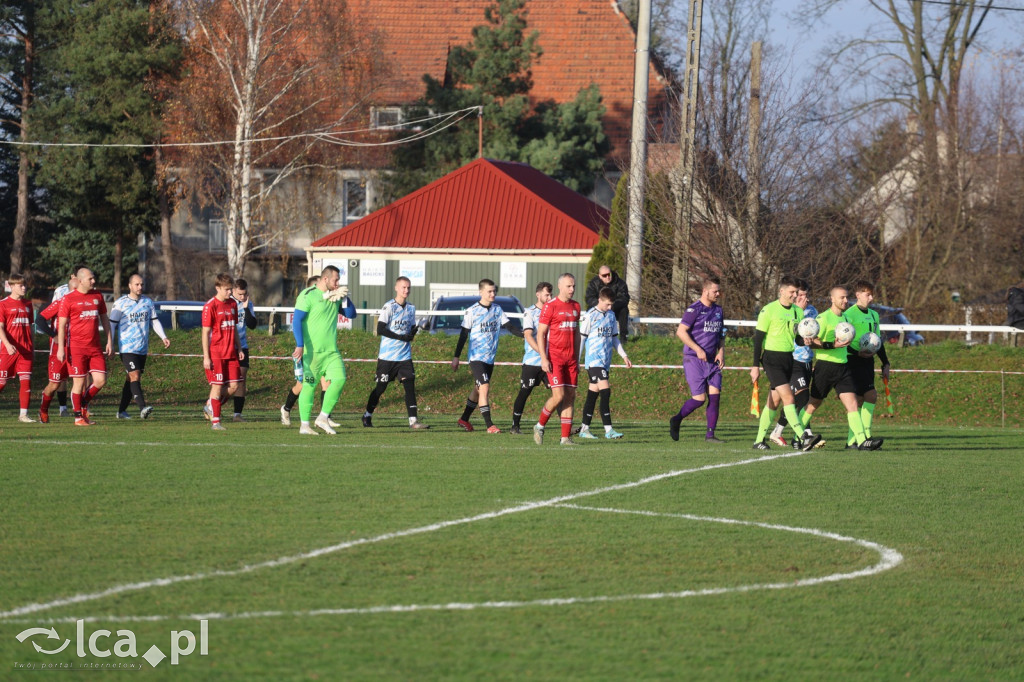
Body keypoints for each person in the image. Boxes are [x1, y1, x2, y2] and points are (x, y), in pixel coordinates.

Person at [796, 286, 878, 450]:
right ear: (832, 299)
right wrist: (831, 345)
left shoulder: (846, 317)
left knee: (853, 404)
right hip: (825, 367)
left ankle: (861, 441)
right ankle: (797, 436)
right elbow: (810, 341)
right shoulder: (824, 318)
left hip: (843, 367)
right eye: (841, 298)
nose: (845, 301)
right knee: (813, 404)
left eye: (846, 297)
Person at [750, 276, 822, 451]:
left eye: (796, 292)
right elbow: (758, 339)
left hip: (788, 359)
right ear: (781, 291)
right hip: (771, 360)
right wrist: (755, 366)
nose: (794, 295)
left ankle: (759, 440)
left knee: (773, 402)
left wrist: (803, 340)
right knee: (789, 397)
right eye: (791, 292)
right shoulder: (769, 310)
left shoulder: (797, 312)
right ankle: (802, 437)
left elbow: (795, 337)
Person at [451, 278, 523, 433]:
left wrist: (525, 335)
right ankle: (490, 425)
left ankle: (464, 419)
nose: (493, 294)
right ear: (481, 292)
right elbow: (463, 335)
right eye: (489, 291)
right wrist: (456, 357)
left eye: (494, 291)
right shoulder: (472, 311)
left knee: (478, 389)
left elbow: (509, 326)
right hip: (476, 357)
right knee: (484, 387)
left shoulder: (497, 309)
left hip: (490, 358)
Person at [292, 265, 356, 435]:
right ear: (326, 279)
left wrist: (344, 298)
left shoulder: (335, 296)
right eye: (336, 280)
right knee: (309, 386)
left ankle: (322, 417)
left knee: (340, 379)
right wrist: (299, 344)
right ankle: (304, 425)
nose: (338, 283)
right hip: (312, 352)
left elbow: (351, 314)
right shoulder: (308, 295)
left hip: (331, 351)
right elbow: (296, 321)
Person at [362, 276, 429, 429]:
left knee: (409, 385)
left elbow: (410, 331)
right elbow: (380, 329)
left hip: (404, 356)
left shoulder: (411, 308)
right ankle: (367, 415)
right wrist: (400, 337)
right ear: (396, 288)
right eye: (403, 287)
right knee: (381, 387)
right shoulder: (389, 307)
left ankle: (413, 421)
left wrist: (417, 328)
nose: (406, 290)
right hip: (387, 357)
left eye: (408, 288)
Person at [669, 276, 726, 443]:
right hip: (694, 359)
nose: (717, 294)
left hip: (712, 361)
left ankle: (710, 435)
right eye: (715, 291)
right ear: (705, 291)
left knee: (715, 396)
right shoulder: (694, 309)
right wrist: (697, 349)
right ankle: (677, 419)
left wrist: (721, 352)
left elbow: (721, 334)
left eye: (718, 291)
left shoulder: (718, 311)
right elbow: (681, 332)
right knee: (699, 399)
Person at [109, 273, 170, 419]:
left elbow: (154, 321)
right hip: (127, 348)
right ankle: (143, 408)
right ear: (130, 286)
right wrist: (109, 342)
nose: (140, 287)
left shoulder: (147, 302)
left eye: (141, 284)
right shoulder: (121, 303)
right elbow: (111, 325)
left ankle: (121, 411)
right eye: (137, 284)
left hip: (142, 348)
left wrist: (164, 336)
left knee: (131, 379)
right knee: (134, 375)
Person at [57, 267, 113, 426]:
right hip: (76, 348)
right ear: (80, 281)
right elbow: (61, 326)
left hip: (95, 347)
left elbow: (104, 319)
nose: (94, 281)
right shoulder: (68, 299)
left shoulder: (97, 296)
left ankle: (81, 403)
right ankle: (78, 417)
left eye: (94, 278)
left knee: (101, 380)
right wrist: (61, 348)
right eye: (90, 279)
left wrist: (109, 341)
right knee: (79, 383)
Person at [533, 273, 582, 446]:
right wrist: (543, 358)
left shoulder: (576, 306)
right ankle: (539, 425)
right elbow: (541, 333)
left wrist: (577, 358)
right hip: (555, 358)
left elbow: (576, 334)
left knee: (570, 396)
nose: (572, 289)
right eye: (569, 286)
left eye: (574, 286)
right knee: (559, 395)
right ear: (560, 287)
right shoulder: (550, 306)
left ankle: (565, 438)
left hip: (571, 360)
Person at [578, 286, 632, 439]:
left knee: (592, 394)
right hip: (594, 361)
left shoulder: (610, 316)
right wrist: (577, 360)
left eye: (611, 305)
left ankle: (584, 429)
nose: (609, 307)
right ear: (600, 300)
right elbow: (582, 339)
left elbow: (615, 339)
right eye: (607, 304)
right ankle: (609, 430)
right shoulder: (590, 316)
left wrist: (624, 356)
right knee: (605, 391)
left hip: (605, 361)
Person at [842, 280, 891, 449]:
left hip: (867, 361)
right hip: (852, 360)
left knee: (869, 397)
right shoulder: (848, 314)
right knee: (858, 400)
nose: (870, 298)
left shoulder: (874, 315)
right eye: (867, 294)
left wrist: (885, 363)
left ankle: (858, 439)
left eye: (872, 294)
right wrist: (857, 353)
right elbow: (842, 341)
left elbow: (877, 341)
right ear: (857, 295)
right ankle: (861, 438)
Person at [769, 279, 817, 447]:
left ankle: (777, 432)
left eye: (806, 295)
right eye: (800, 294)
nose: (804, 298)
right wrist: (800, 312)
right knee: (803, 396)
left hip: (807, 360)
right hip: (792, 360)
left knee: (790, 400)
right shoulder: (792, 311)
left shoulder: (813, 311)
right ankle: (807, 434)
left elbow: (815, 334)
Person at [201, 273, 244, 431]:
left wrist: (239, 348)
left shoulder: (233, 304)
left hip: (231, 353)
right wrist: (206, 356)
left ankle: (210, 404)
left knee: (233, 387)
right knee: (217, 386)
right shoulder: (210, 306)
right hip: (216, 353)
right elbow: (205, 333)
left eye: (230, 289)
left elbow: (235, 328)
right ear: (217, 288)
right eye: (227, 289)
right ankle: (216, 422)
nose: (230, 292)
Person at [510, 281, 552, 434]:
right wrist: (542, 354)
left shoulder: (553, 311)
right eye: (546, 294)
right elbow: (528, 335)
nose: (549, 297)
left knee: (558, 391)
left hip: (550, 361)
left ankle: (565, 426)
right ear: (538, 294)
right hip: (533, 361)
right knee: (525, 391)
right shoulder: (530, 312)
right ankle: (515, 425)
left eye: (550, 295)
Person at [280, 275, 321, 426]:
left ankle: (325, 418)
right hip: (304, 352)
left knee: (327, 382)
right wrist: (300, 344)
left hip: (321, 352)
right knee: (302, 385)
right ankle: (286, 408)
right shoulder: (305, 304)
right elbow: (297, 323)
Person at [0, 274, 36, 422]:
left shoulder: (28, 304)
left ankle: (23, 415)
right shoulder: (3, 304)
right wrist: (8, 345)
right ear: (12, 286)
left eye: (25, 285)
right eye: (21, 285)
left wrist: (32, 347)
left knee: (26, 381)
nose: (24, 287)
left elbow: (31, 327)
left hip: (25, 350)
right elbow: (0, 327)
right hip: (8, 350)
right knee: (2, 382)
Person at [230, 279, 258, 422]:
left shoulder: (248, 303)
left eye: (244, 293)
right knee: (226, 382)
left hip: (243, 346)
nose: (242, 297)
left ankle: (237, 415)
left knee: (241, 379)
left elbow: (252, 325)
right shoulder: (228, 303)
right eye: (240, 294)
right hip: (228, 346)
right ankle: (211, 404)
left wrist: (246, 308)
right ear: (233, 291)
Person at [584, 265, 630, 343]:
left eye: (609, 274)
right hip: (598, 308)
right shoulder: (593, 283)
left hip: (614, 309)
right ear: (599, 276)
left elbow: (624, 299)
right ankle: (588, 336)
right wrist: (601, 305)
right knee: (590, 310)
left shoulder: (620, 283)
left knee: (624, 310)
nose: (608, 277)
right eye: (604, 275)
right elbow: (589, 298)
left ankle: (623, 337)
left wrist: (611, 306)